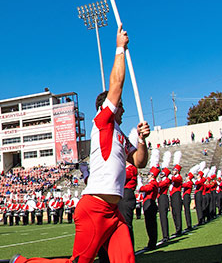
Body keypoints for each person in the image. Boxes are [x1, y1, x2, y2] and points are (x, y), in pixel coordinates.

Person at [12, 27, 150, 263]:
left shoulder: (119, 135)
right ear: (107, 106)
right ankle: (23, 262)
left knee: (125, 259)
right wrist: (119, 48)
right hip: (95, 208)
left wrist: (141, 139)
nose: (123, 109)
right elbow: (116, 85)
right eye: (121, 105)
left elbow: (140, 162)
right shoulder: (102, 122)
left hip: (112, 212)